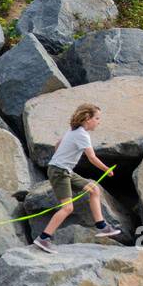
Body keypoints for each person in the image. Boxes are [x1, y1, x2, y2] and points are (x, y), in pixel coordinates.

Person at [32, 102, 121, 252]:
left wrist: (60, 157)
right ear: (88, 118)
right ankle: (43, 238)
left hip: (64, 170)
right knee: (67, 208)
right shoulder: (82, 135)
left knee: (93, 190)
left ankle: (102, 226)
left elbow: (57, 144)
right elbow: (92, 158)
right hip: (60, 172)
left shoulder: (73, 131)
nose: (99, 122)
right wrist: (106, 169)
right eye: (97, 118)